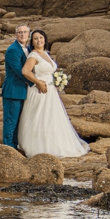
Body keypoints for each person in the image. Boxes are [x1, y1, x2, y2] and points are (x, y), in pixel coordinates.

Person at [17, 29, 90, 158]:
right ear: (32, 42)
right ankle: (37, 146)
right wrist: (38, 82)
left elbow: (49, 71)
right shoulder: (33, 55)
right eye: (35, 39)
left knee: (51, 118)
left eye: (41, 38)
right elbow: (25, 71)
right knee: (40, 118)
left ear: (45, 39)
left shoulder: (45, 53)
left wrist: (57, 80)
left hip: (51, 92)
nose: (39, 40)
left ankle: (54, 143)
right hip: (39, 91)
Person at [2, 24, 30, 148]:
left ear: (28, 34)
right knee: (11, 121)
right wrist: (36, 83)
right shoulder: (13, 50)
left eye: (25, 32)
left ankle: (15, 145)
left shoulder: (28, 48)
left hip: (22, 90)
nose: (22, 34)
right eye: (20, 32)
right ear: (15, 35)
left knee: (19, 121)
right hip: (13, 90)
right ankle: (8, 147)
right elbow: (20, 71)